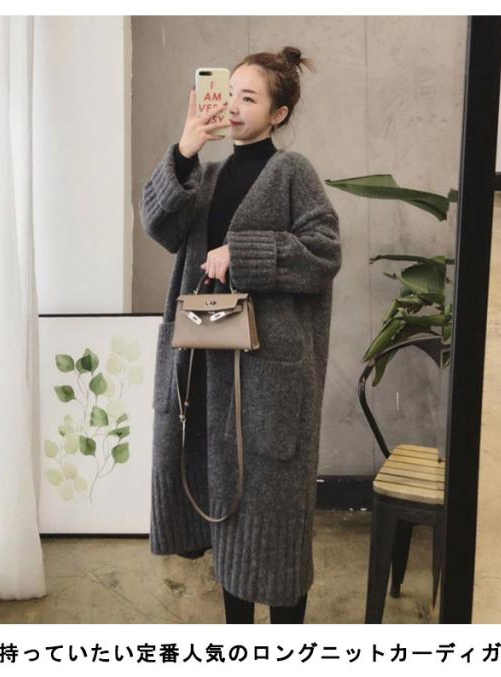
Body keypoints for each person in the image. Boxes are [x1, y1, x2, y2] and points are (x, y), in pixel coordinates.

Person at [139, 46, 342, 624]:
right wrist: (185, 148)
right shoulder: (205, 177)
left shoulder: (292, 172)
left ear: (278, 114)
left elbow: (324, 253)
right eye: (230, 94)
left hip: (266, 381)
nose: (232, 106)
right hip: (205, 367)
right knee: (225, 521)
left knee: (272, 526)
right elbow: (158, 225)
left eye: (248, 98)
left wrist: (243, 253)